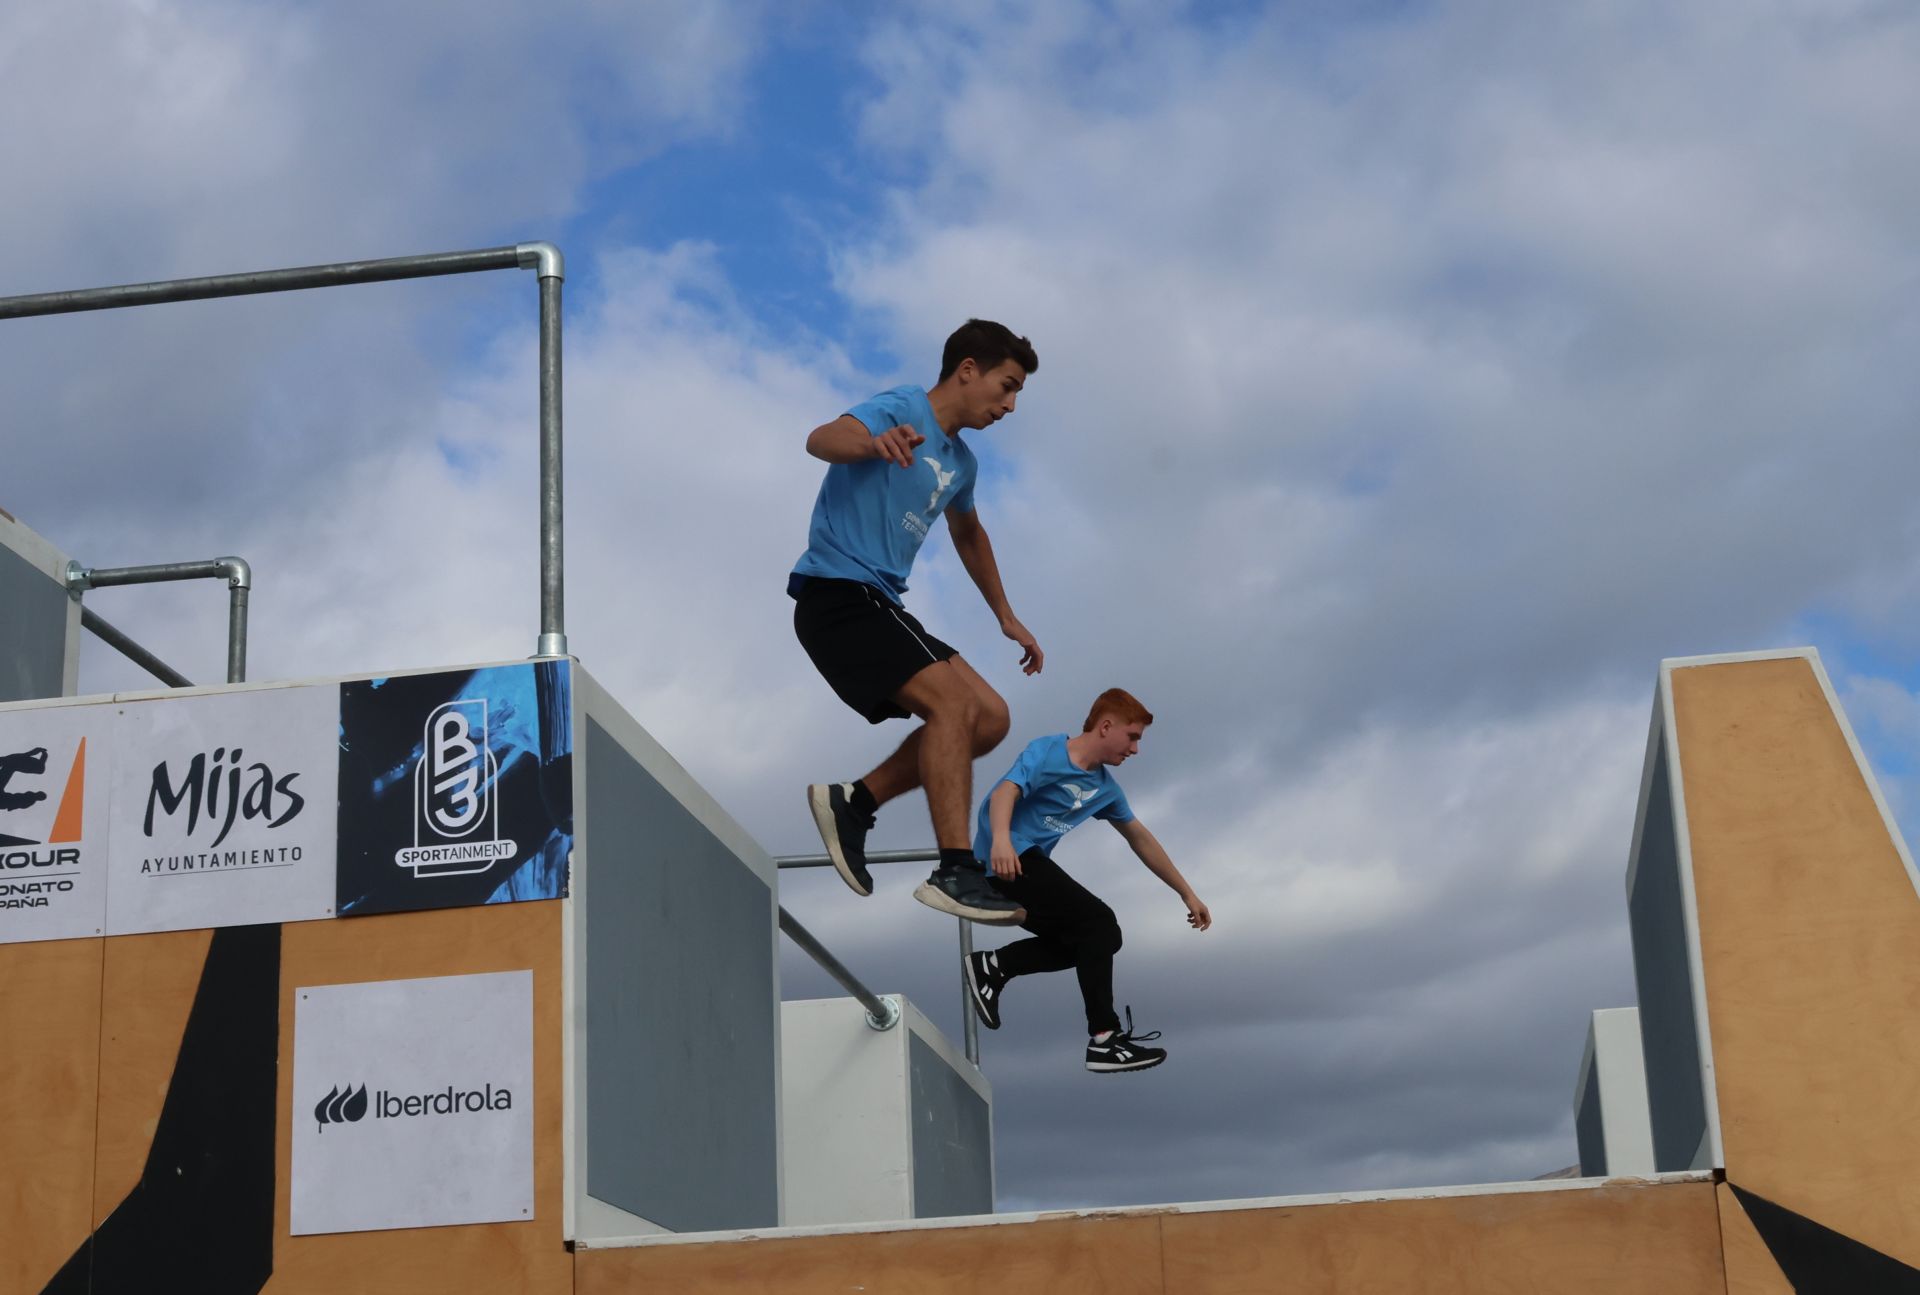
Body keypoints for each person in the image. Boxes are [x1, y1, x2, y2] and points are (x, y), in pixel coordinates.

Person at [791, 319, 1043, 924]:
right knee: (955, 707)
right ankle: (956, 869)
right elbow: (821, 438)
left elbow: (969, 533)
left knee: (991, 718)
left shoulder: (962, 462)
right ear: (967, 371)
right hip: (840, 592)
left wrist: (1007, 616)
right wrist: (871, 444)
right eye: (1005, 387)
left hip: (881, 604)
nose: (1009, 406)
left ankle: (857, 801)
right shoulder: (904, 406)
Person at [963, 689, 1211, 1073]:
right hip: (1002, 857)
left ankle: (996, 966)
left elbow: (1139, 837)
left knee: (1102, 938)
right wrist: (999, 840)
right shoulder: (1048, 751)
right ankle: (1104, 1039)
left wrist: (1187, 893)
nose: (1135, 750)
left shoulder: (1106, 789)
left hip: (1025, 867)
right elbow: (1004, 792)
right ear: (1106, 726)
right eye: (1133, 737)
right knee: (1096, 920)